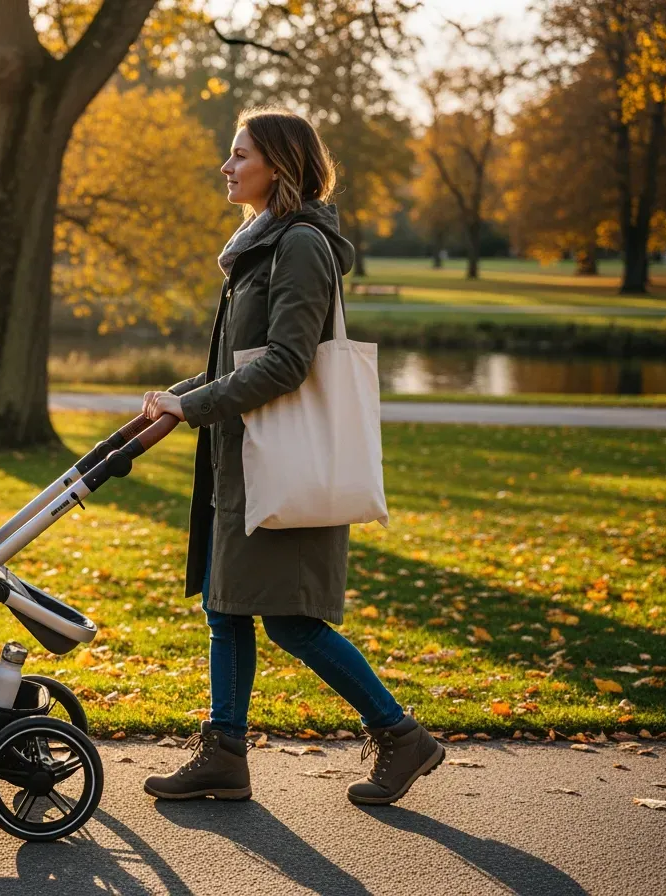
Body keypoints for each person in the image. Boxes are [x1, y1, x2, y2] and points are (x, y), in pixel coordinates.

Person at [140, 107, 444, 806]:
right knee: (227, 607)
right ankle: (224, 754)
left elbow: (285, 363)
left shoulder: (300, 243)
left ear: (278, 165)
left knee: (290, 620)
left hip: (282, 463)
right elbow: (236, 359)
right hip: (244, 460)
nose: (227, 165)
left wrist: (197, 405)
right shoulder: (258, 240)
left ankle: (402, 736)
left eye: (239, 154)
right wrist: (174, 397)